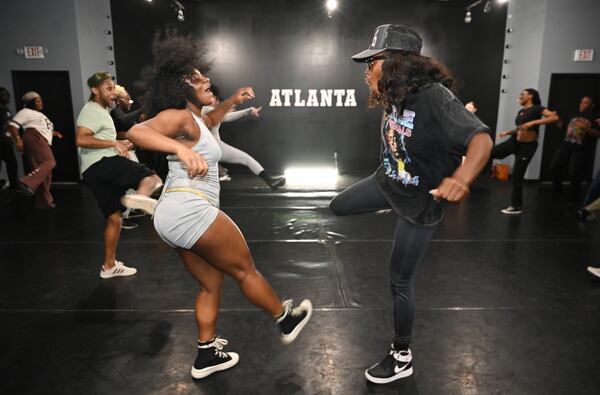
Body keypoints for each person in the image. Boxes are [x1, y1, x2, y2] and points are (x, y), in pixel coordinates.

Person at [123, 35, 312, 379]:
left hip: (173, 216)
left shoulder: (198, 122)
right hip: (189, 208)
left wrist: (234, 100)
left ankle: (206, 354)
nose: (207, 81)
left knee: (211, 285)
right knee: (245, 270)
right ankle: (285, 318)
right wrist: (180, 151)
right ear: (182, 87)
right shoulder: (177, 116)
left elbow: (214, 118)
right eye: (198, 79)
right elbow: (136, 131)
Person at [329, 24, 492, 384]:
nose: (365, 71)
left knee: (399, 281)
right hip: (387, 182)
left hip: (421, 202)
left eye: (370, 62)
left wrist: (461, 179)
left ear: (395, 62)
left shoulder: (434, 96)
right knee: (338, 206)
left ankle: (401, 354)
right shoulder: (395, 92)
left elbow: (481, 139)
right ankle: (389, 202)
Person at [75, 71, 163, 278]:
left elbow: (101, 138)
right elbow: (81, 139)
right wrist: (113, 143)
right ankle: (138, 200)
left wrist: (122, 141)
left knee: (114, 219)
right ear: (95, 90)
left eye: (113, 88)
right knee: (152, 179)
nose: (112, 92)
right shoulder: (92, 109)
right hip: (104, 163)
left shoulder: (102, 111)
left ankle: (109, 266)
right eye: (108, 88)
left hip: (92, 170)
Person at [203, 84, 286, 189]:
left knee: (246, 159)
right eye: (216, 99)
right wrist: (231, 106)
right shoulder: (205, 110)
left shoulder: (214, 112)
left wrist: (248, 111)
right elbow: (218, 113)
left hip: (216, 147)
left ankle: (270, 182)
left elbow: (227, 117)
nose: (217, 102)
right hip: (210, 149)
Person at [492, 88, 559, 214]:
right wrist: (508, 132)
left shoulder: (538, 108)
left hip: (527, 146)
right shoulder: (521, 111)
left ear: (531, 96)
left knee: (517, 176)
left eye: (523, 94)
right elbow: (520, 127)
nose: (520, 96)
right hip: (514, 141)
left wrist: (532, 122)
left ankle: (516, 206)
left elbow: (554, 117)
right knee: (492, 152)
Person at [6, 91, 63, 208]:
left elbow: (41, 127)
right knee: (49, 162)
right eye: (37, 101)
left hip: (40, 138)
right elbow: (12, 126)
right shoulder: (25, 112)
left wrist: (53, 132)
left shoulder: (38, 114)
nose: (40, 103)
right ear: (30, 103)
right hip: (34, 137)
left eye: (41, 100)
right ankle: (27, 181)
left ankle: (43, 202)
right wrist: (17, 139)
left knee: (46, 173)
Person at [550, 96, 600, 203]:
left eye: (585, 103)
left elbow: (597, 134)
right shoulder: (572, 114)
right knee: (554, 168)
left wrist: (586, 128)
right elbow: (561, 126)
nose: (582, 104)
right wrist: (556, 118)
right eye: (581, 102)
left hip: (581, 149)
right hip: (566, 146)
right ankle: (558, 192)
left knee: (574, 173)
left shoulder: (595, 117)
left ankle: (575, 197)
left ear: (592, 105)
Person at [0, 87, 19, 193]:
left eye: (7, 95)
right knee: (11, 163)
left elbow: (9, 125)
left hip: (6, 141)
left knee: (12, 163)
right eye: (3, 95)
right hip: (2, 141)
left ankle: (13, 185)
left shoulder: (6, 109)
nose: (6, 97)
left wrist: (12, 137)